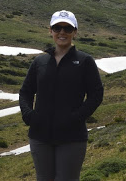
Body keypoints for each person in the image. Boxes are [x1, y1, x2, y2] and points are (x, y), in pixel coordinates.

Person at [19, 10, 104, 181]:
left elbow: (96, 94)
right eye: (57, 28)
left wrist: (76, 118)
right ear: (50, 30)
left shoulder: (85, 61)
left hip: (72, 137)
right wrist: (29, 116)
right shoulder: (40, 62)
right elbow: (25, 92)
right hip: (40, 136)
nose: (62, 33)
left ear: (75, 32)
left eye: (67, 29)